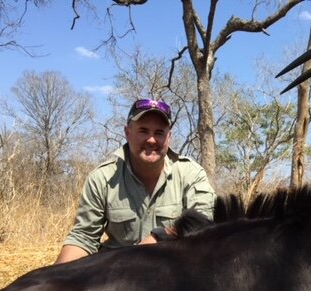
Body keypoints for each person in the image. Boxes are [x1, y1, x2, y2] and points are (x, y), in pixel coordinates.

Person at [55, 99, 216, 264]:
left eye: (159, 133)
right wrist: (58, 278)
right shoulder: (102, 177)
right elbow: (84, 238)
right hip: (116, 273)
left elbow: (204, 224)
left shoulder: (191, 173)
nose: (151, 140)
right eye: (143, 131)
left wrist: (159, 236)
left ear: (169, 137)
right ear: (127, 132)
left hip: (172, 270)